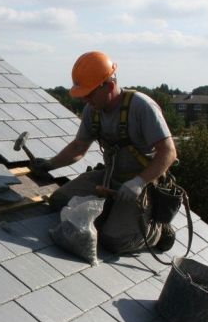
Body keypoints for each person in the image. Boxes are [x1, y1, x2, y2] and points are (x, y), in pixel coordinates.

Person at [32, 51, 178, 254]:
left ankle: (158, 232)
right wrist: (49, 164)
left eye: (89, 94)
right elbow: (78, 148)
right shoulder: (93, 111)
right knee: (58, 201)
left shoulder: (141, 107)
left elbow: (168, 153)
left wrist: (138, 182)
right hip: (109, 177)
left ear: (109, 86)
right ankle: (111, 213)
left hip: (142, 184)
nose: (86, 100)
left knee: (114, 241)